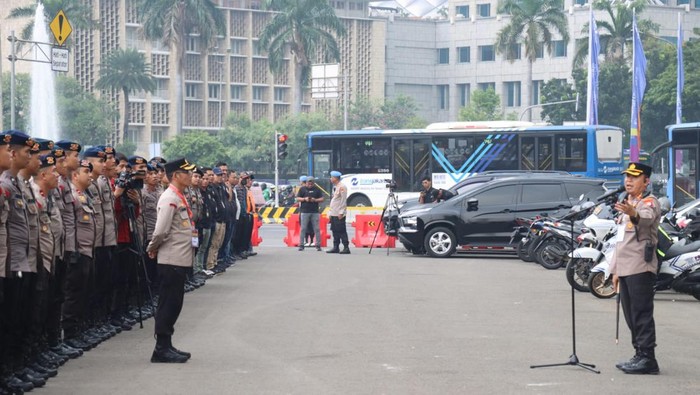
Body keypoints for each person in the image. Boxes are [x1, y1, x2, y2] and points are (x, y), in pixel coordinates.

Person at [610, 162, 661, 375]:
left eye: (634, 177)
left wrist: (633, 213)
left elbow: (646, 220)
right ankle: (639, 354)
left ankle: (648, 359)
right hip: (625, 268)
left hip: (641, 267)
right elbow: (620, 242)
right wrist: (615, 270)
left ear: (646, 181)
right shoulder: (627, 203)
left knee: (641, 314)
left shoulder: (649, 203)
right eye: (627, 177)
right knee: (631, 315)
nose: (628, 180)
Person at [146, 158, 196, 363]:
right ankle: (161, 348)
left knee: (174, 303)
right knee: (168, 303)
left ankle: (167, 345)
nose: (191, 176)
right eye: (187, 172)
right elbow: (161, 230)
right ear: (176, 175)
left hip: (180, 259)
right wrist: (152, 248)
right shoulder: (169, 198)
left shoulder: (178, 196)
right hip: (171, 259)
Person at [296, 176, 324, 251]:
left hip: (314, 211)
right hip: (304, 211)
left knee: (316, 229)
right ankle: (301, 244)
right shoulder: (302, 189)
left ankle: (318, 244)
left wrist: (315, 200)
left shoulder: (317, 189)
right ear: (306, 183)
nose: (310, 184)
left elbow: (322, 199)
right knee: (303, 228)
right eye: (309, 183)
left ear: (313, 183)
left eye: (311, 183)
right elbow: (297, 198)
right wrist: (304, 199)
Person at [327, 171, 350, 254]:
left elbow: (343, 201)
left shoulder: (342, 187)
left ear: (335, 178)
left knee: (341, 230)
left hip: (339, 213)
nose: (330, 179)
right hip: (334, 212)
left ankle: (346, 247)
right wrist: (330, 213)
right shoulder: (336, 187)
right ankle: (336, 247)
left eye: (332, 177)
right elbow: (334, 201)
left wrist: (341, 212)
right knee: (334, 230)